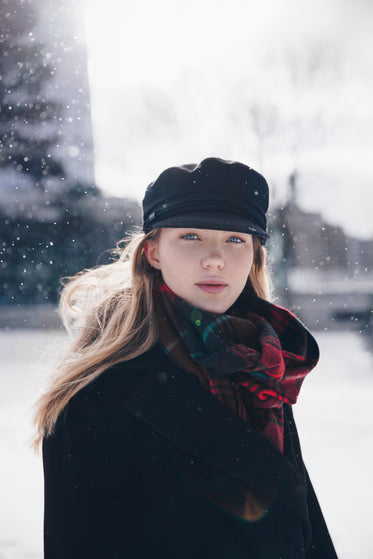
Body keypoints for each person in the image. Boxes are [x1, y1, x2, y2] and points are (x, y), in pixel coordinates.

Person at [34, 157, 338, 558]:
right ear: (153, 253)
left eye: (235, 240)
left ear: (254, 259)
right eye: (191, 236)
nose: (215, 259)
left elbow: (300, 521)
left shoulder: (265, 365)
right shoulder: (97, 395)